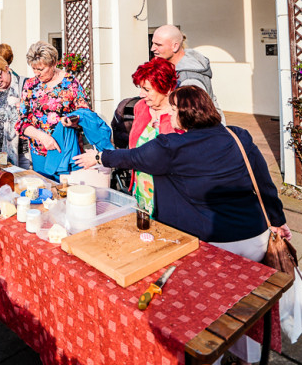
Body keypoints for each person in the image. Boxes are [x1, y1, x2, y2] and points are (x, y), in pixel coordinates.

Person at [75, 85, 290, 365]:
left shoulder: (171, 146)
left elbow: (131, 158)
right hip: (254, 237)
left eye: (173, 109)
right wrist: (278, 220)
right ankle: (245, 357)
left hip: (210, 245)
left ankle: (209, 357)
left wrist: (100, 156)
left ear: (184, 113)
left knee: (208, 309)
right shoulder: (238, 135)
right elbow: (264, 183)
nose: (170, 114)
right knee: (243, 301)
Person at [15, 41, 112, 179]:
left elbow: (84, 115)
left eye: (41, 69)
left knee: (66, 192)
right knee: (45, 192)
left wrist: (72, 122)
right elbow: (22, 122)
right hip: (39, 152)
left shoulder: (71, 83)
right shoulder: (30, 85)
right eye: (34, 69)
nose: (37, 73)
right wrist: (42, 137)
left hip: (66, 152)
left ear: (54, 63)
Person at [128, 59, 179, 215]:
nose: (141, 94)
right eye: (140, 88)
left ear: (167, 89)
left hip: (170, 192)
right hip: (141, 187)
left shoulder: (180, 115)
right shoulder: (140, 107)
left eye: (147, 89)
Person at [151, 24, 225, 122]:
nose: (152, 48)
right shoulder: (178, 67)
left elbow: (194, 117)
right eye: (153, 43)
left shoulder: (189, 79)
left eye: (158, 45)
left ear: (175, 46)